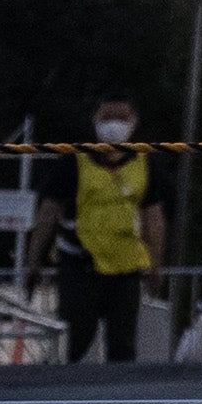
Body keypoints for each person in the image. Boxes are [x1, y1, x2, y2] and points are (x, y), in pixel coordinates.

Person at [59, 104, 155, 368]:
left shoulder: (144, 162)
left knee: (122, 349)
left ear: (134, 122)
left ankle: (121, 402)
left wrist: (155, 263)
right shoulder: (75, 160)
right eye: (107, 118)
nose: (114, 125)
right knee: (73, 344)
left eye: (121, 118)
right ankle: (59, 398)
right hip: (80, 264)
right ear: (94, 121)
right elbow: (48, 210)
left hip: (126, 269)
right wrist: (35, 257)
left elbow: (153, 216)